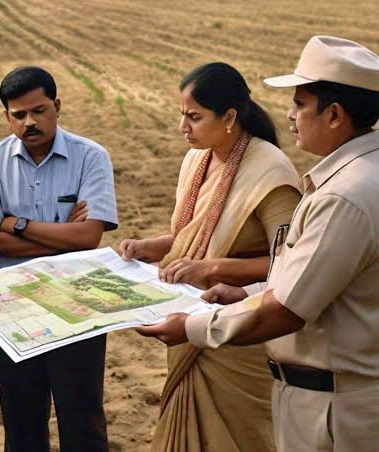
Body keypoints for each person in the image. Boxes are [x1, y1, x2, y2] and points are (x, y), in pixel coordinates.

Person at [138, 36, 379, 452]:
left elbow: (287, 308)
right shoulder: (354, 178)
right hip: (322, 396)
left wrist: (192, 325)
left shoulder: (343, 196)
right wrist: (244, 293)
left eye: (300, 104)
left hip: (334, 411)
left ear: (335, 114)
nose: (289, 115)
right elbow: (305, 279)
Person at [119, 62, 302, 451]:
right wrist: (147, 247)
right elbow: (193, 236)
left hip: (238, 333)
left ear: (230, 117)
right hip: (191, 321)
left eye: (195, 117)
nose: (183, 127)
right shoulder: (197, 159)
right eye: (182, 115)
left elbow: (292, 263)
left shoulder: (270, 170)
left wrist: (214, 268)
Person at [0, 66, 118, 452]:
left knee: (82, 419)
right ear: (7, 116)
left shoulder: (91, 156)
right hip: (12, 302)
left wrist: (15, 224)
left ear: (57, 106)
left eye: (38, 110)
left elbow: (88, 236)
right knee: (21, 422)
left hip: (81, 299)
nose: (29, 122)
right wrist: (63, 238)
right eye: (18, 115)